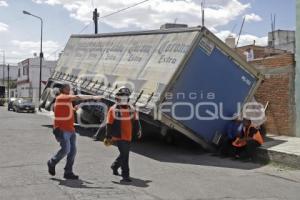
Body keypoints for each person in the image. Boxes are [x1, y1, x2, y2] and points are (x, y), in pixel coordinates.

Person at [47, 83, 102, 179]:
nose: (71, 89)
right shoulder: (62, 97)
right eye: (69, 87)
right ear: (64, 89)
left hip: (71, 130)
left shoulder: (65, 100)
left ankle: (68, 172)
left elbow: (67, 111)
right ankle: (52, 162)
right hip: (62, 130)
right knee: (66, 149)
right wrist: (93, 96)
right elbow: (77, 97)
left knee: (72, 151)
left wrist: (75, 108)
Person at [105, 86, 142, 182]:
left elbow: (136, 120)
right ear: (117, 97)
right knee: (125, 156)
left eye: (126, 96)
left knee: (124, 154)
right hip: (118, 136)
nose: (124, 98)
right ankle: (125, 175)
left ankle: (114, 166)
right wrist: (108, 135)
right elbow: (109, 123)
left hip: (128, 135)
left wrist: (138, 130)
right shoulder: (113, 109)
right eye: (122, 96)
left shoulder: (131, 108)